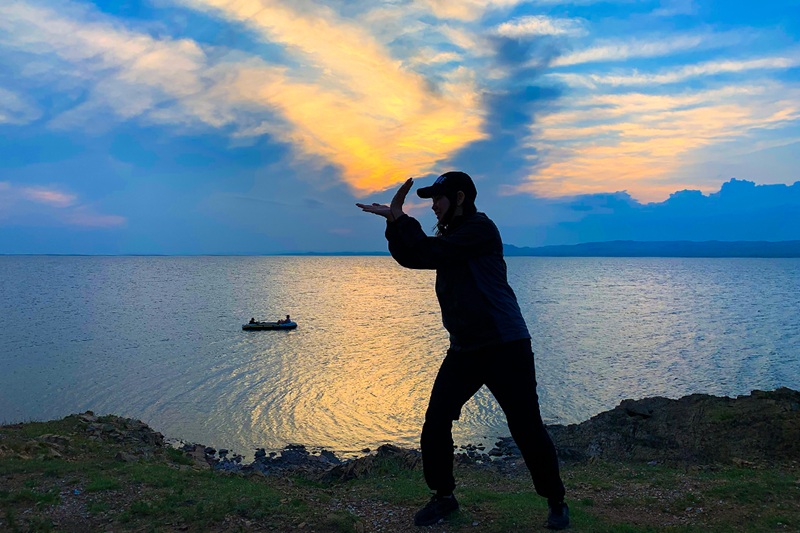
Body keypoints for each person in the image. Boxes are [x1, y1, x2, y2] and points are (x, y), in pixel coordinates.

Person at [356, 171, 569, 530]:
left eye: (438, 198)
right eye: (430, 200)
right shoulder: (453, 236)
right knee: (436, 420)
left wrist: (400, 218)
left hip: (505, 344)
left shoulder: (479, 230)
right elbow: (414, 257)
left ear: (459, 198)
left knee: (526, 427)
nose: (433, 206)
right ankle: (444, 497)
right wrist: (395, 224)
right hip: (466, 349)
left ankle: (556, 501)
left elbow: (426, 251)